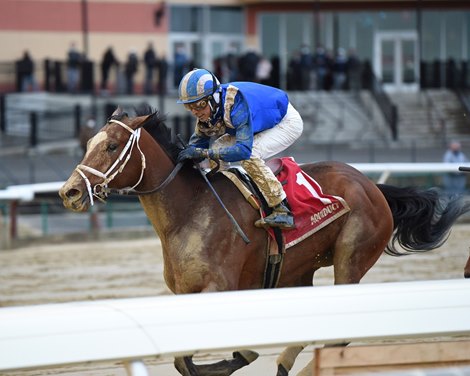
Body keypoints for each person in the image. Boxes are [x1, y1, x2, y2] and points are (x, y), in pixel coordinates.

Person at [176, 68, 304, 229]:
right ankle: (226, 198)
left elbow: (243, 151)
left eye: (199, 105)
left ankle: (282, 209)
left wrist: (203, 153)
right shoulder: (209, 110)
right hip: (258, 123)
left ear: (213, 99)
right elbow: (196, 146)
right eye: (190, 107)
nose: (195, 112)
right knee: (218, 147)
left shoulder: (235, 102)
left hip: (285, 122)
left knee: (250, 155)